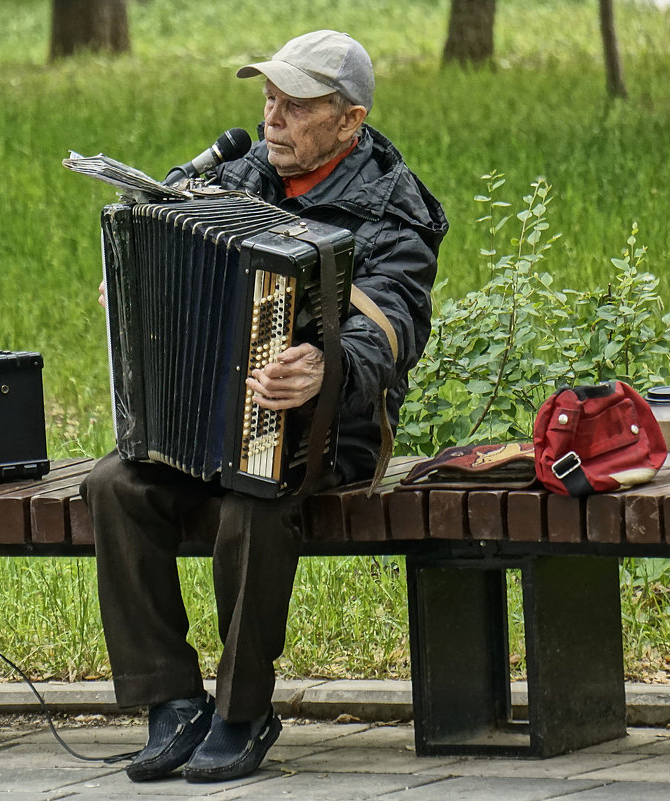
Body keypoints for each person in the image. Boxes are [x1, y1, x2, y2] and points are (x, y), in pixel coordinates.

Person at [80, 29, 448, 784]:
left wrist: (324, 364)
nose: (272, 118)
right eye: (269, 98)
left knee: (254, 498)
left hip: (330, 426)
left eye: (295, 104)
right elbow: (178, 269)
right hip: (210, 416)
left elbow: (394, 325)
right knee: (113, 484)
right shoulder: (243, 172)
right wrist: (133, 286)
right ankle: (171, 701)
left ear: (350, 120)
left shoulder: (392, 204)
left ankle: (243, 710)